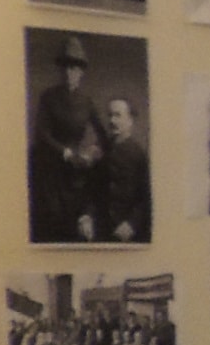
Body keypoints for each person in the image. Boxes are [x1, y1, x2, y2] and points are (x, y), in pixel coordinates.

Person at [28, 37, 100, 242]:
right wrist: (64, 152)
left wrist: (91, 152)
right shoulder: (49, 97)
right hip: (50, 169)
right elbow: (41, 133)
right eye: (67, 68)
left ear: (81, 72)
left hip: (76, 172)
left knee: (75, 223)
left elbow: (102, 135)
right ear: (61, 70)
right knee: (52, 221)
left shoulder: (87, 102)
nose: (70, 73)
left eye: (75, 68)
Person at [92, 96, 150, 244]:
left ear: (130, 120)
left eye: (117, 115)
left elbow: (146, 198)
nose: (112, 121)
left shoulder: (139, 155)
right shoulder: (102, 152)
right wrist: (86, 216)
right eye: (110, 115)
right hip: (101, 229)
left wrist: (132, 224)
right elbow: (92, 190)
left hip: (129, 232)